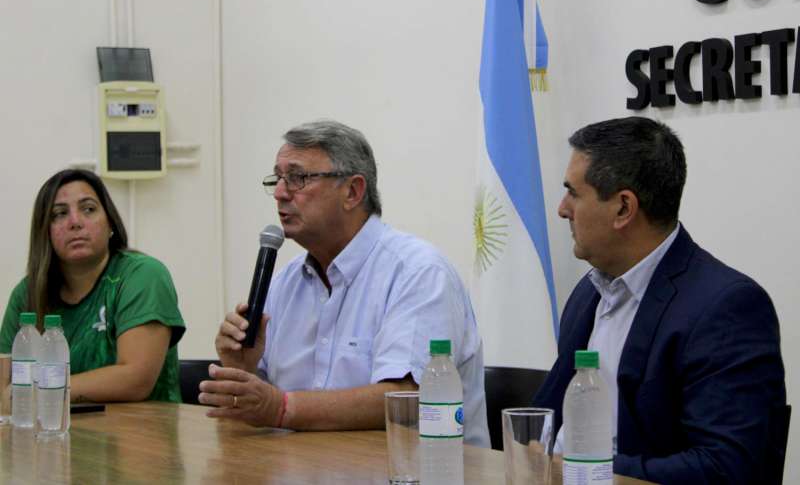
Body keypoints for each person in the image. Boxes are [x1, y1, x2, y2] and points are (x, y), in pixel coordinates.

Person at [202, 119, 490, 446]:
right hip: (303, 466)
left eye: (297, 178)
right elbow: (259, 405)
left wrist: (282, 408)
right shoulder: (284, 283)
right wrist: (243, 369)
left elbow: (406, 397)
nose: (280, 193)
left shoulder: (418, 272)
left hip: (416, 469)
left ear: (352, 192)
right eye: (277, 179)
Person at [533, 116, 786, 483]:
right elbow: (544, 421)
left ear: (623, 208)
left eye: (573, 193)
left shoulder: (727, 308)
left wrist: (586, 471)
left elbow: (725, 468)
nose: (562, 209)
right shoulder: (589, 293)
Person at [0, 169, 186, 402]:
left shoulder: (142, 275)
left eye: (88, 209)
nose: (75, 222)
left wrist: (40, 389)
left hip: (144, 424)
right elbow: (4, 388)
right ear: (45, 232)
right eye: (59, 214)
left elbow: (135, 379)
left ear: (110, 223)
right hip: (57, 424)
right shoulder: (27, 293)